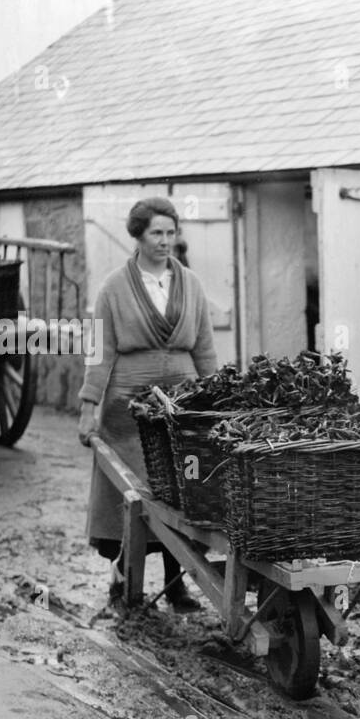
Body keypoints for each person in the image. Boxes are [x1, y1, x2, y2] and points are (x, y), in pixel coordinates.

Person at [78, 197, 217, 611]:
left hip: (181, 406)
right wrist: (89, 405)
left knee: (181, 493)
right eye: (157, 233)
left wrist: (216, 399)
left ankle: (178, 586)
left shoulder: (190, 283)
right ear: (137, 236)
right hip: (129, 409)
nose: (165, 241)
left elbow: (205, 349)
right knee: (132, 494)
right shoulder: (113, 288)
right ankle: (123, 579)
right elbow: (99, 351)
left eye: (171, 233)